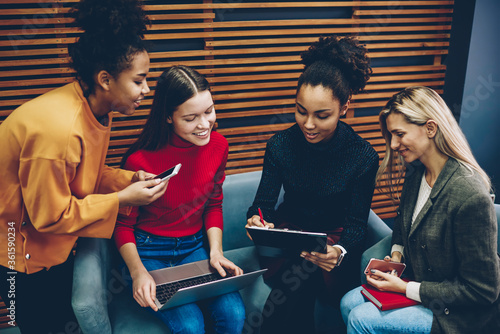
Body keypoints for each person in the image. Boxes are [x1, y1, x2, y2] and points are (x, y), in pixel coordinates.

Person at [0, 0, 169, 333]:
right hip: (15, 253)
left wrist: (129, 180)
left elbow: (83, 176)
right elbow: (50, 216)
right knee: (39, 325)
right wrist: (123, 199)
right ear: (106, 79)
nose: (146, 90)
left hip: (51, 247)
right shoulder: (58, 132)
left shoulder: (95, 109)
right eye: (139, 81)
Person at [245, 35, 379, 333]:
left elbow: (358, 223)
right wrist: (258, 220)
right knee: (297, 280)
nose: (308, 124)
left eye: (322, 115)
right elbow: (262, 205)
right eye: (300, 110)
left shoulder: (363, 156)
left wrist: (340, 251)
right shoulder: (279, 145)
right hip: (290, 237)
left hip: (334, 246)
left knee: (297, 284)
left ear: (345, 106)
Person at [340, 86, 500, 334]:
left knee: (361, 319)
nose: (393, 144)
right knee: (347, 302)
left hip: (457, 314)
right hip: (418, 285)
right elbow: (403, 229)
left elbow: (482, 290)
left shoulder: (469, 194)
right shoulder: (416, 174)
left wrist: (404, 288)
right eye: (391, 136)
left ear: (430, 128)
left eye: (399, 134)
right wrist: (395, 258)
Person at [114, 65, 246, 334]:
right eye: (191, 118)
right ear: (168, 117)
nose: (204, 124)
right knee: (190, 325)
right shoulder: (139, 161)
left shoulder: (219, 146)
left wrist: (216, 252)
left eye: (208, 111)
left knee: (234, 314)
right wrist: (138, 272)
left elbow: (213, 202)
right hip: (149, 252)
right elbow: (122, 225)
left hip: (193, 247)